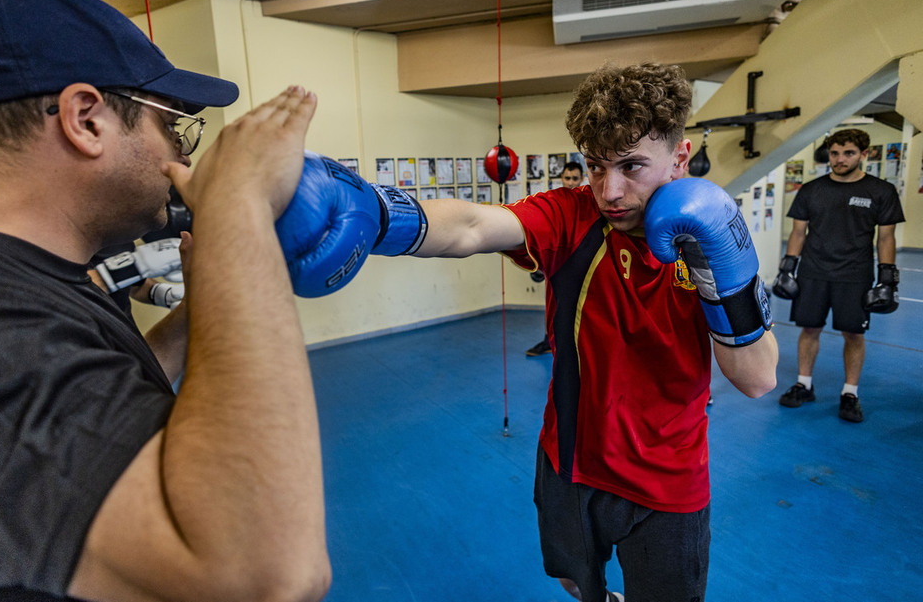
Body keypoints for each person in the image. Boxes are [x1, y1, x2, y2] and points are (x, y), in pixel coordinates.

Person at [284, 62, 779, 602]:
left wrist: (717, 271)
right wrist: (378, 213)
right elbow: (473, 226)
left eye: (632, 166)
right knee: (572, 580)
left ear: (680, 157)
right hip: (568, 458)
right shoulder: (573, 214)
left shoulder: (712, 239)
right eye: (595, 166)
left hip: (667, 478)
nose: (610, 191)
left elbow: (756, 380)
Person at [0, 0, 330, 602]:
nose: (183, 158)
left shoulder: (6, 263)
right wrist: (237, 210)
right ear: (86, 120)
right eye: (176, 129)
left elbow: (95, 379)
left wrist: (204, 312)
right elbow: (262, 575)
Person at [773, 128, 905, 423]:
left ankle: (850, 393)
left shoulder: (881, 191)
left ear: (864, 154)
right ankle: (804, 384)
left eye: (848, 153)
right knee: (809, 329)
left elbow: (886, 238)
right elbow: (798, 232)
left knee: (854, 333)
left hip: (855, 274)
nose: (840, 159)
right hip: (813, 271)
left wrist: (887, 278)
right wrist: (787, 269)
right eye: (834, 153)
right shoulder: (811, 190)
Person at [526, 161, 585, 356]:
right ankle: (547, 340)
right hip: (558, 265)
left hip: (582, 263)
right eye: (567, 178)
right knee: (552, 303)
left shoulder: (589, 204)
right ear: (561, 178)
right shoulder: (556, 205)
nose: (570, 182)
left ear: (581, 179)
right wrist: (538, 263)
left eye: (574, 179)